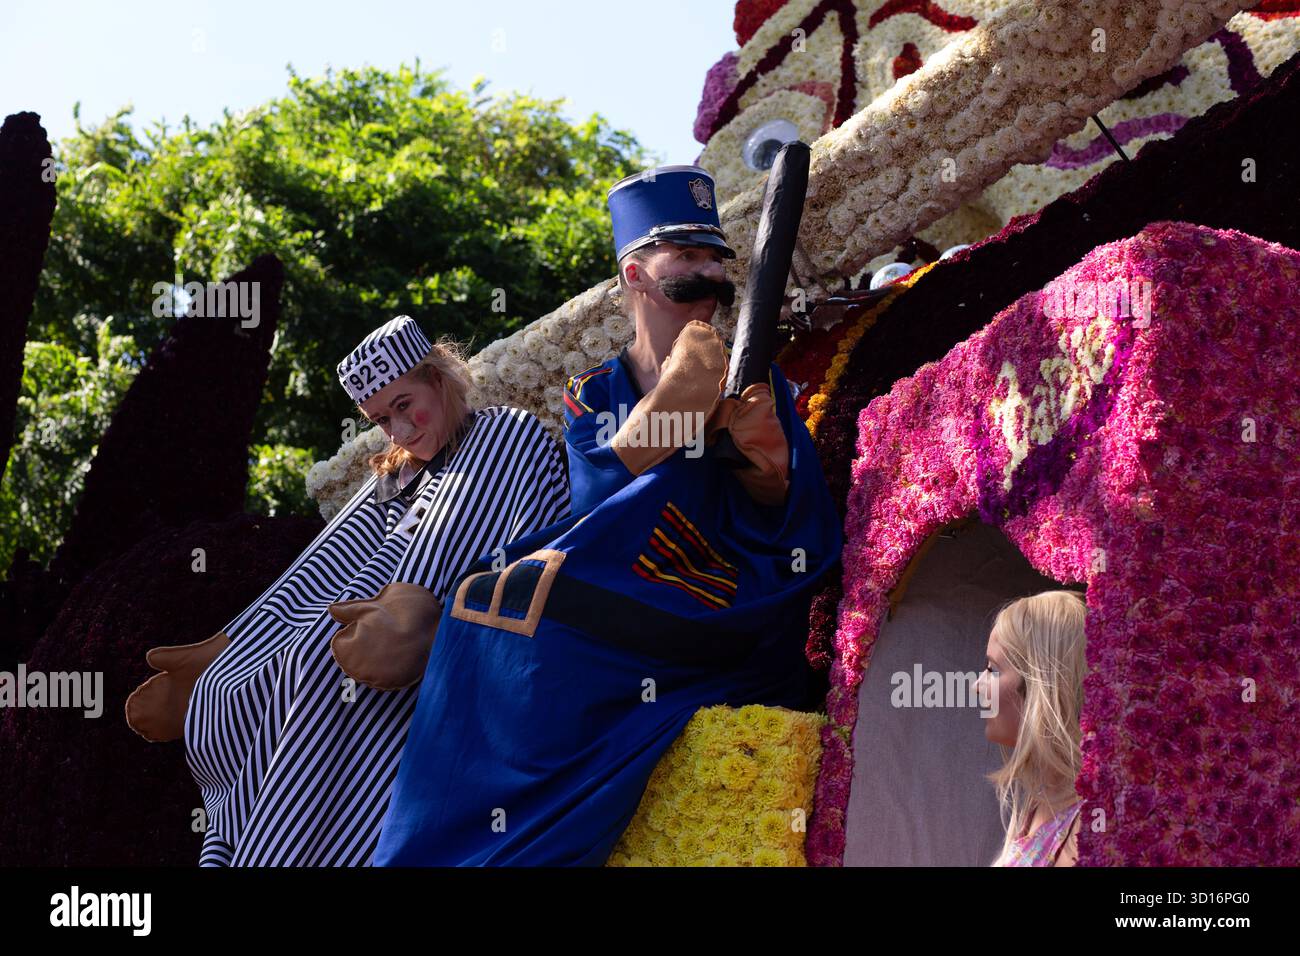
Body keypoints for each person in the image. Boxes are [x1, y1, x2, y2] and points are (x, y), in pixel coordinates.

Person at [373, 165, 843, 866]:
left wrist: (767, 462)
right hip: (629, 572)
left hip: (719, 593)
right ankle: (442, 841)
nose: (709, 273)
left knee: (542, 608)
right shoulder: (595, 389)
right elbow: (602, 496)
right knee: (479, 598)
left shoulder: (760, 378)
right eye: (685, 256)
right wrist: (678, 399)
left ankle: (528, 827)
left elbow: (796, 531)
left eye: (716, 257)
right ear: (637, 275)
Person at [124, 315, 569, 865]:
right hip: (357, 629)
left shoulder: (506, 435)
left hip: (435, 655)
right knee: (252, 678)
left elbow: (508, 544)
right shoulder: (393, 475)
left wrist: (418, 611)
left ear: (439, 376)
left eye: (405, 404)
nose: (400, 431)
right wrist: (240, 642)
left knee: (317, 670)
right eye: (381, 419)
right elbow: (324, 567)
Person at [976, 589, 1088, 867]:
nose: (976, 685)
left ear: (1042, 685)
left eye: (993, 669)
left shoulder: (1087, 829)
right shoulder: (1040, 802)